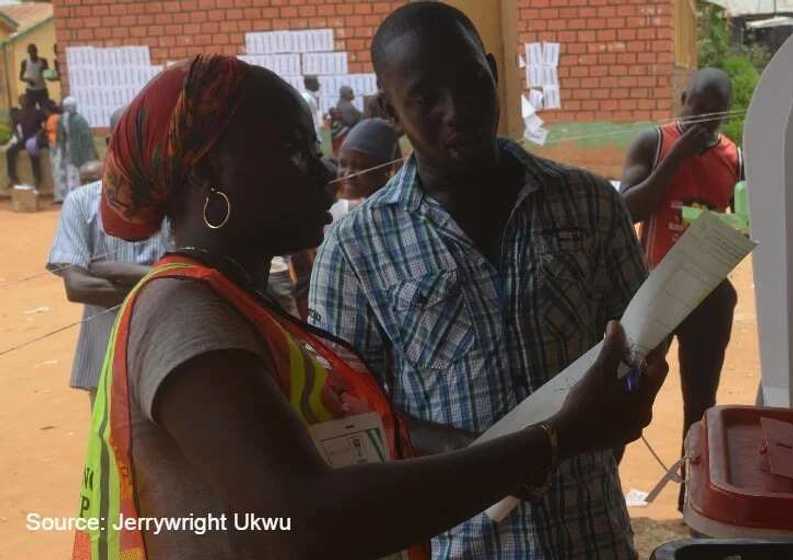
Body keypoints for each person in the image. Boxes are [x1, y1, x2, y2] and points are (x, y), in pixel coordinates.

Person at [72, 54, 666, 560]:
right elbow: (306, 519)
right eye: (296, 151)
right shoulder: (185, 312)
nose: (328, 169)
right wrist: (554, 439)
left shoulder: (246, 305)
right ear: (209, 177)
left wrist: (487, 445)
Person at [310, 4, 651, 557]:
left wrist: (630, 399)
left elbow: (639, 343)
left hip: (592, 536)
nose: (457, 111)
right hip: (464, 544)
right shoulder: (356, 251)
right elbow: (349, 415)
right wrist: (474, 455)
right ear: (389, 109)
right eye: (425, 97)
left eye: (471, 82)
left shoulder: (588, 205)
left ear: (493, 71)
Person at [619, 67, 743, 507]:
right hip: (652, 285)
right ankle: (605, 490)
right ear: (684, 97)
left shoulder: (734, 157)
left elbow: (740, 219)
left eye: (714, 113)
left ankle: (693, 498)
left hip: (707, 290)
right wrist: (678, 158)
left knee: (700, 401)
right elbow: (627, 209)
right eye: (697, 106)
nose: (702, 118)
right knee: (624, 395)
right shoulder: (654, 142)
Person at [46, 185, 171, 408]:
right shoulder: (82, 202)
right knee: (109, 439)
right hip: (105, 361)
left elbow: (188, 280)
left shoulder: (177, 200)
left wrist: (115, 270)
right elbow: (78, 287)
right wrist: (159, 281)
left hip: (167, 360)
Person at [331, 117, 401, 225]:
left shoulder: (396, 215)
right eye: (343, 164)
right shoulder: (339, 212)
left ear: (386, 168)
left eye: (361, 166)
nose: (348, 174)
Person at [53, 97, 98, 202]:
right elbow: (61, 136)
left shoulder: (78, 120)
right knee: (71, 174)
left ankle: (78, 196)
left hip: (79, 152)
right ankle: (73, 196)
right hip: (71, 151)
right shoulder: (65, 119)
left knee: (78, 174)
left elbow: (86, 139)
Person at [6, 95, 46, 189]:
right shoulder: (19, 113)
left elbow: (45, 125)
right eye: (21, 100)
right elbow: (13, 126)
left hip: (36, 138)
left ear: (28, 101)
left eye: (24, 100)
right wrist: (17, 136)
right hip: (24, 139)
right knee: (10, 152)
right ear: (19, 103)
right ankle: (13, 178)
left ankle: (37, 179)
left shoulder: (37, 112)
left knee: (32, 150)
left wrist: (38, 135)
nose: (23, 102)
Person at [20, 44, 52, 109]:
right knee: (31, 111)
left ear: (37, 51)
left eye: (34, 51)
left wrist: (44, 70)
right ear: (28, 52)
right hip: (30, 91)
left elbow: (48, 75)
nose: (33, 53)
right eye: (31, 51)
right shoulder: (25, 62)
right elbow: (21, 77)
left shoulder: (43, 61)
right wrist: (28, 80)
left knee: (45, 109)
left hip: (42, 89)